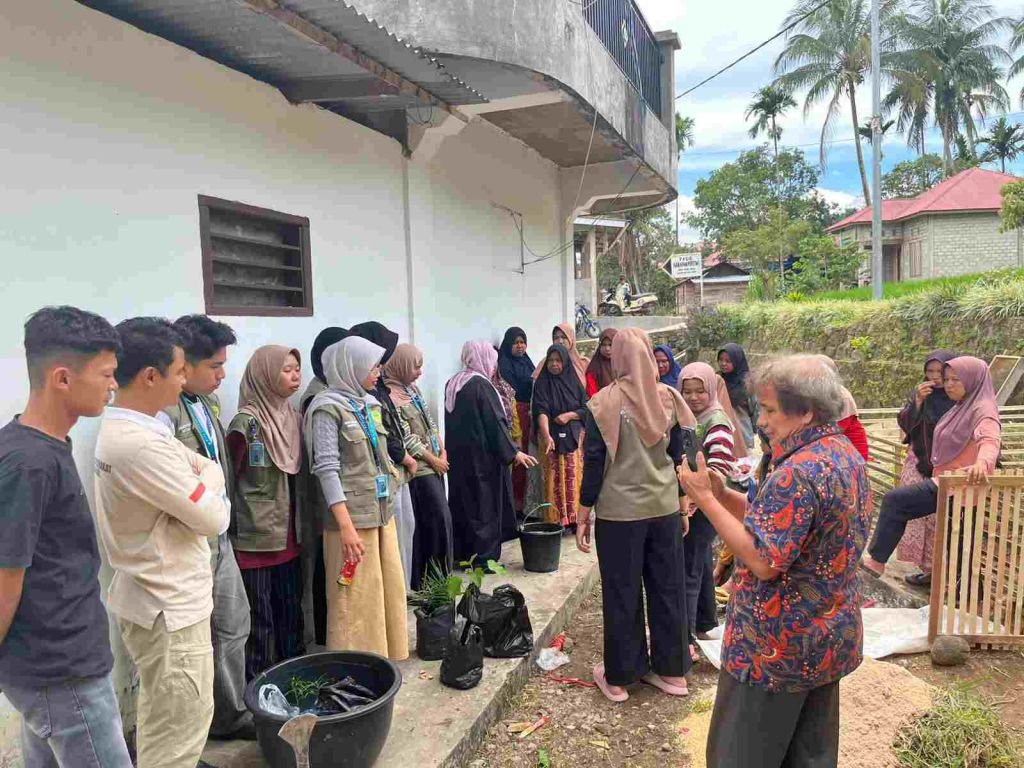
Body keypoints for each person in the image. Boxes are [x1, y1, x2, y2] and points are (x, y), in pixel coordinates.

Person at [678, 355, 870, 768]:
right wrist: (725, 494)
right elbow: (777, 521)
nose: (761, 421)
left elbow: (765, 559)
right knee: (809, 754)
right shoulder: (842, 453)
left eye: (768, 410)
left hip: (775, 649)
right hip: (825, 638)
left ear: (805, 411)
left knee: (741, 755)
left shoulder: (797, 472)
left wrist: (705, 500)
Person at [95, 318, 230, 768]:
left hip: (155, 599)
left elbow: (206, 469)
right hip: (169, 606)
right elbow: (214, 516)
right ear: (150, 376)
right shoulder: (139, 445)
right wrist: (211, 483)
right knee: (179, 730)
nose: (185, 380)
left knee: (164, 717)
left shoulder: (146, 429)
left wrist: (207, 478)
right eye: (178, 371)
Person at [0, 307, 132, 768]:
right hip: (60, 669)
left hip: (56, 662)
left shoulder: (42, 447)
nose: (113, 386)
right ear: (61, 378)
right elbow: (5, 576)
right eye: (107, 374)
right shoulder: (28, 463)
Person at [577, 328, 696, 703]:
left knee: (622, 592)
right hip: (662, 510)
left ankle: (620, 677)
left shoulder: (601, 404)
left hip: (619, 516)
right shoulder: (669, 398)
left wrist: (583, 512)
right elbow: (681, 456)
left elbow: (594, 463)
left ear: (618, 359)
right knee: (668, 588)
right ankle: (672, 672)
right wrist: (682, 503)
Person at [159, 314, 253, 741]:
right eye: (214, 366)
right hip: (187, 542)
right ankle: (207, 725)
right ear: (185, 364)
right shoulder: (164, 414)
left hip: (219, 535)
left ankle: (230, 712)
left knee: (234, 623)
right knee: (196, 641)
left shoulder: (203, 404)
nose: (222, 375)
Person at [305, 336, 408, 660]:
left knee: (383, 592)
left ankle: (382, 661)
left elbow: (380, 457)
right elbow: (327, 469)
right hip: (350, 523)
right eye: (373, 365)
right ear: (351, 366)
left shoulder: (369, 404)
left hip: (380, 514)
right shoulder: (326, 408)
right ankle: (352, 667)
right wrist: (346, 527)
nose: (378, 371)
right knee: (353, 601)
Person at [863, 356, 1001, 577]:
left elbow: (990, 439)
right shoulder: (962, 406)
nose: (948, 384)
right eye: (946, 379)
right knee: (955, 544)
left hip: (960, 484)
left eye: (956, 379)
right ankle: (953, 592)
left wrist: (983, 463)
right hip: (949, 483)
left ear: (972, 380)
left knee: (896, 501)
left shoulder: (982, 410)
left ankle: (877, 561)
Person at [226, 346, 305, 680]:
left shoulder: (292, 416)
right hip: (255, 541)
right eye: (286, 370)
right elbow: (230, 481)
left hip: (290, 536)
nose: (295, 376)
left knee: (290, 614)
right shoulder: (245, 424)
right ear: (265, 375)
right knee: (259, 622)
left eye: (297, 369)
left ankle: (296, 681)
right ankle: (260, 689)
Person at [446, 341, 537, 564]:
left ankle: (462, 552)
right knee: (483, 506)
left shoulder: (454, 382)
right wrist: (514, 452)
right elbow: (495, 423)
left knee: (464, 503)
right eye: (493, 361)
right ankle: (483, 558)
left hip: (459, 458)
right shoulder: (481, 386)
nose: (495, 367)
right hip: (482, 460)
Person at [348, 321, 417, 589]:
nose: (381, 365)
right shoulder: (349, 400)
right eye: (376, 360)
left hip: (394, 473)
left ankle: (402, 589)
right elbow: (384, 436)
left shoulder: (378, 390)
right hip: (383, 477)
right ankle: (397, 590)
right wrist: (406, 457)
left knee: (403, 531)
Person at [383, 343, 454, 589]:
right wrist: (433, 459)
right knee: (435, 521)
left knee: (442, 522)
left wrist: (442, 450)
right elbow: (405, 438)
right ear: (401, 364)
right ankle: (429, 581)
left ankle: (442, 579)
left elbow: (430, 423)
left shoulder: (412, 390)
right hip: (421, 469)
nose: (420, 372)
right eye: (416, 366)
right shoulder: (390, 396)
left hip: (436, 463)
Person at [679, 362, 737, 659]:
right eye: (686, 391)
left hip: (703, 504)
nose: (693, 397)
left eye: (700, 391)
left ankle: (686, 638)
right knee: (700, 561)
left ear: (711, 390)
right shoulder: (691, 418)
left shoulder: (715, 421)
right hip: (697, 502)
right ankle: (705, 622)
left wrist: (698, 496)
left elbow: (720, 466)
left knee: (688, 566)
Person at [300, 325, 349, 646]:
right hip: (327, 499)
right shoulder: (318, 399)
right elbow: (326, 462)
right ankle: (322, 632)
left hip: (336, 499)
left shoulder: (332, 392)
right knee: (323, 566)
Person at [895, 351, 958, 587]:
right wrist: (918, 402)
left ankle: (945, 574)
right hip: (919, 462)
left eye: (939, 372)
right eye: (929, 372)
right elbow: (905, 423)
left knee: (939, 520)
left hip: (946, 467)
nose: (934, 377)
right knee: (918, 516)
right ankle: (929, 571)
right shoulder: (921, 394)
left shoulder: (959, 395)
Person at [534, 345, 589, 529]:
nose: (554, 364)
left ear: (565, 362)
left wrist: (569, 415)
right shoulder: (542, 383)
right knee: (553, 478)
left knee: (573, 477)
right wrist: (546, 434)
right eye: (551, 361)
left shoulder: (574, 382)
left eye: (558, 361)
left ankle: (575, 520)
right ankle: (555, 521)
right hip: (551, 437)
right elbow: (540, 410)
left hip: (573, 437)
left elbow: (586, 408)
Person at [498, 327, 536, 515]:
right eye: (516, 343)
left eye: (523, 342)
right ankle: (515, 505)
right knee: (517, 458)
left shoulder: (527, 362)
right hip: (515, 414)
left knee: (528, 456)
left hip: (529, 413)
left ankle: (525, 502)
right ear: (508, 344)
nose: (520, 346)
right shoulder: (504, 364)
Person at [813, 356, 870, 462]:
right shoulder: (818, 394)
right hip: (831, 451)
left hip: (850, 453)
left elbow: (834, 430)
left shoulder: (841, 396)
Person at [718, 344, 755, 451]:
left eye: (728, 361)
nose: (723, 364)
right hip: (722, 433)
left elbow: (755, 408)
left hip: (742, 434)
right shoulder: (717, 380)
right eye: (720, 360)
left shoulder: (747, 382)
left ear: (737, 361)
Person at [533, 323, 589, 390]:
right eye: (556, 338)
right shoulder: (545, 363)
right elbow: (536, 389)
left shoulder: (584, 363)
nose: (560, 341)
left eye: (564, 337)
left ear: (571, 339)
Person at [585, 328, 617, 397]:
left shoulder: (623, 364)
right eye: (604, 345)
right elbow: (592, 394)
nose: (607, 349)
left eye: (610, 345)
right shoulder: (594, 367)